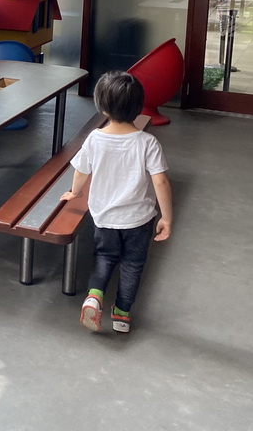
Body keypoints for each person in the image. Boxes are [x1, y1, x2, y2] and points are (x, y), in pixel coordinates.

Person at [60, 70, 173, 334]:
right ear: (137, 106)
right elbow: (160, 182)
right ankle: (122, 314)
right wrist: (166, 218)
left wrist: (75, 193)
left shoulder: (95, 138)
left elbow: (81, 171)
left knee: (104, 257)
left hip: (105, 217)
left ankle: (94, 296)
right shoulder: (147, 142)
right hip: (139, 220)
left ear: (101, 105)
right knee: (133, 264)